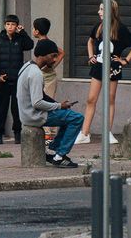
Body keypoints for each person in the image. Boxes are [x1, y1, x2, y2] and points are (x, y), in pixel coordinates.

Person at [75, 0, 131, 145]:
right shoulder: (99, 27)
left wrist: (125, 60)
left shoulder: (120, 29)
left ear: (111, 11)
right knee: (91, 99)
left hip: (113, 68)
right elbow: (90, 41)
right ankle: (85, 133)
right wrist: (91, 56)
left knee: (110, 99)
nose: (99, 12)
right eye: (99, 9)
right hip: (98, 66)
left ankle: (107, 133)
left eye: (102, 9)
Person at [17, 39, 84, 168]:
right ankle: (59, 156)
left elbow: (41, 95)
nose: (54, 60)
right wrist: (59, 106)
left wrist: (59, 104)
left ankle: (53, 151)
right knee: (77, 118)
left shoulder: (26, 67)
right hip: (35, 116)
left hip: (26, 114)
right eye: (53, 56)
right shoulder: (36, 73)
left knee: (67, 115)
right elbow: (37, 102)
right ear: (43, 55)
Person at [0, 14, 34, 144]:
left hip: (17, 79)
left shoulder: (20, 39)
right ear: (5, 26)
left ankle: (17, 133)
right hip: (4, 80)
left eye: (13, 25)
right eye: (8, 24)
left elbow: (30, 45)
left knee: (17, 108)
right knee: (1, 108)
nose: (10, 27)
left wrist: (23, 32)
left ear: (16, 26)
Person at [32, 16, 65, 141]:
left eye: (34, 28)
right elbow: (62, 52)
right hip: (44, 76)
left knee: (47, 102)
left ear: (37, 31)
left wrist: (51, 66)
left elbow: (61, 52)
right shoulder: (46, 42)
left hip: (48, 77)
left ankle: (49, 132)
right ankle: (48, 131)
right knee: (45, 101)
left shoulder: (46, 44)